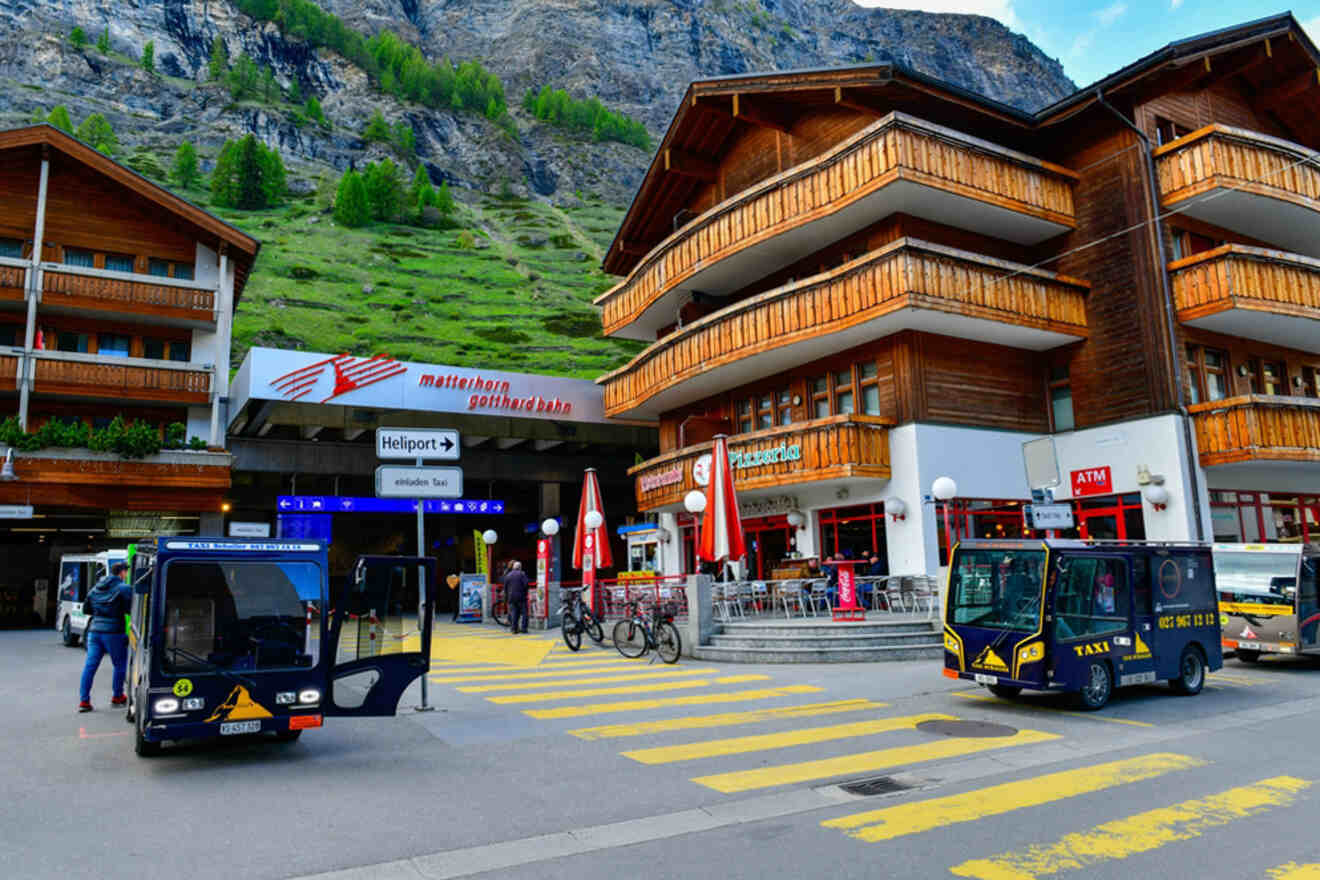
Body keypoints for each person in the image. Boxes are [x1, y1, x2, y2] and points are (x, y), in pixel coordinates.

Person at [78, 561, 132, 712]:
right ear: (122, 572)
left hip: (94, 632)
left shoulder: (96, 588)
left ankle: (84, 702)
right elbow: (131, 609)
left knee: (90, 666)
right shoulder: (123, 588)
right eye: (126, 572)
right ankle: (117, 697)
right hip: (114, 632)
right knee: (119, 665)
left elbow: (86, 609)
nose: (126, 575)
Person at [502, 561, 530, 634]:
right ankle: (524, 628)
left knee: (514, 613)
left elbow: (505, 587)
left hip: (511, 597)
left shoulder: (508, 575)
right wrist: (525, 591)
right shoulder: (522, 574)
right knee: (524, 613)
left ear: (513, 567)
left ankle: (514, 629)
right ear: (520, 567)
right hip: (521, 597)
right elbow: (526, 584)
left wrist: (506, 596)